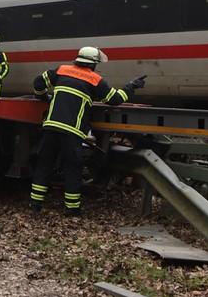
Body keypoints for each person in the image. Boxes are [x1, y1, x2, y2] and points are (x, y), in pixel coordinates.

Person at [29, 46, 144, 215]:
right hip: (72, 131)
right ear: (93, 64)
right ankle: (72, 209)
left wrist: (41, 96)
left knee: (44, 165)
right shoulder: (94, 80)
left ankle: (35, 204)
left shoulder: (61, 70)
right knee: (72, 168)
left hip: (51, 127)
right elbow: (115, 99)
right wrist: (131, 86)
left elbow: (38, 83)